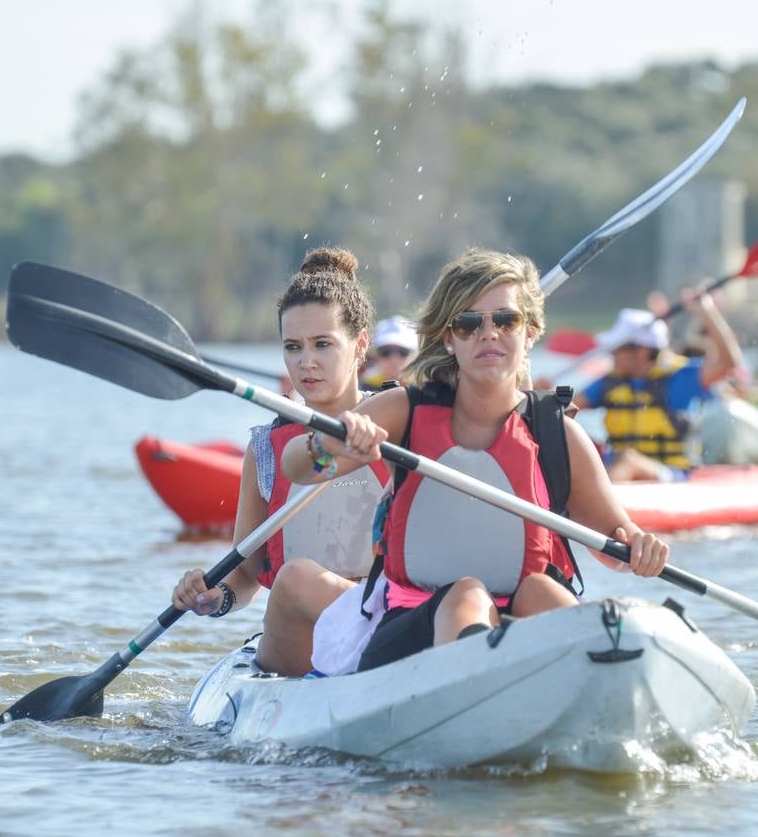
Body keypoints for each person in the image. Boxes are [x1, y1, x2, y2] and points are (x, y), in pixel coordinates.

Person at [279, 248, 671, 673]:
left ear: (531, 331)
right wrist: (332, 445)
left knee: (543, 589)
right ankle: (480, 684)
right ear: (449, 338)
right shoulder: (404, 410)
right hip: (409, 628)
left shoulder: (558, 434)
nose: (489, 334)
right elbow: (297, 466)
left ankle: (601, 674)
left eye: (506, 320)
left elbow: (616, 542)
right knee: (466, 593)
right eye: (469, 324)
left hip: (521, 619)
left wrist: (641, 546)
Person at [170, 248, 390, 676]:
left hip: (386, 617)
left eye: (323, 344)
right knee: (296, 578)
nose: (305, 362)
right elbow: (246, 574)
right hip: (297, 641)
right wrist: (214, 598)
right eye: (293, 347)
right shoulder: (266, 449)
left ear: (360, 343)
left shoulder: (399, 423)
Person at [573, 288, 741, 483]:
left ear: (642, 352)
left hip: (671, 474)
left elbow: (729, 362)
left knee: (628, 460)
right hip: (619, 475)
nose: (611, 353)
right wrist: (543, 393)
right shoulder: (610, 382)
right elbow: (565, 410)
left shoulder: (680, 378)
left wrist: (706, 312)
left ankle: (596, 508)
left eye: (617, 348)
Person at [361, 315, 418, 389]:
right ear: (376, 355)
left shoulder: (426, 388)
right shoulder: (362, 388)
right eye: (385, 352)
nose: (394, 359)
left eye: (403, 351)